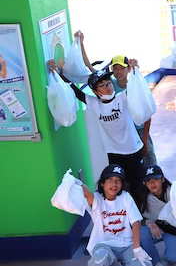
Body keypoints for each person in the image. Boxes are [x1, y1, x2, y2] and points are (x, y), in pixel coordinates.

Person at [48, 59, 145, 197]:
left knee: (137, 188)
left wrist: (135, 69)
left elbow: (136, 86)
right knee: (118, 188)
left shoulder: (122, 98)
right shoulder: (94, 103)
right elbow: (74, 90)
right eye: (103, 85)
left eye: (109, 83)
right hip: (114, 153)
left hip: (133, 150)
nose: (108, 87)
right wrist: (57, 73)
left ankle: (140, 211)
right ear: (95, 91)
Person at [73, 31, 156, 166]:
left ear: (128, 69)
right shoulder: (110, 85)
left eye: (122, 68)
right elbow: (89, 66)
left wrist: (145, 140)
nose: (118, 72)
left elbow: (147, 115)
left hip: (139, 131)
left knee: (149, 163)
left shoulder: (135, 87)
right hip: (123, 135)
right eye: (115, 68)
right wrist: (81, 43)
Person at [81, 164, 152, 266]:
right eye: (110, 180)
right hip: (104, 245)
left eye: (118, 180)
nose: (114, 184)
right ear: (102, 183)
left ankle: (125, 265)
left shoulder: (125, 197)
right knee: (98, 261)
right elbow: (87, 193)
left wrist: (136, 248)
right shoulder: (97, 199)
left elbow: (136, 221)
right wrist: (76, 182)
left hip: (125, 245)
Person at [137, 165, 176, 266]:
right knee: (141, 233)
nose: (152, 183)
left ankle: (173, 248)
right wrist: (149, 223)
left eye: (156, 179)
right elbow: (138, 217)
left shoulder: (174, 192)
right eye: (148, 180)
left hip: (173, 229)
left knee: (173, 257)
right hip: (156, 229)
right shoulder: (144, 198)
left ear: (163, 179)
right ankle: (156, 262)